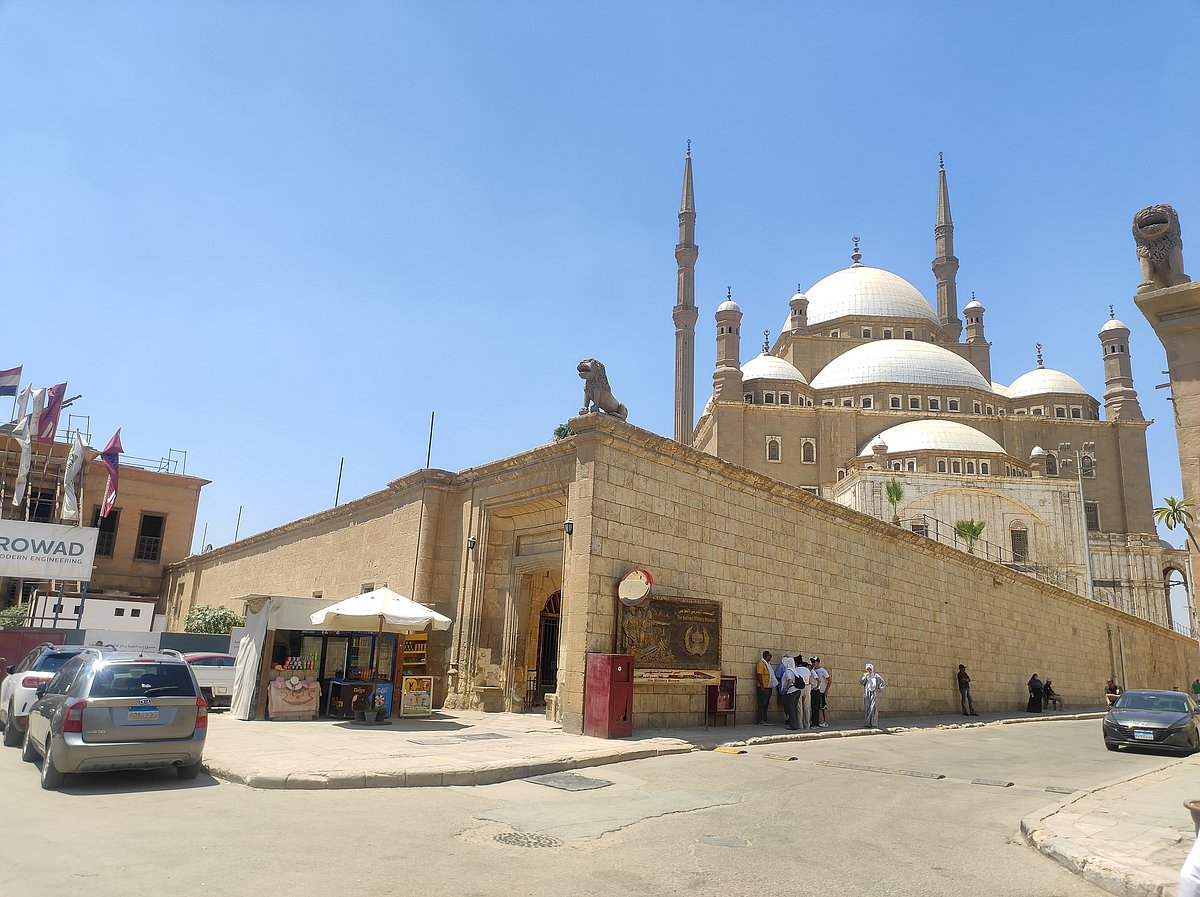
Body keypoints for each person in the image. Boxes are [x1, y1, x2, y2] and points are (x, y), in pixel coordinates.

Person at [861, 663, 886, 728]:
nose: (869, 670)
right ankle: (867, 723)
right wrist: (866, 678)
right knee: (867, 707)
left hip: (873, 693)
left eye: (870, 669)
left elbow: (882, 683)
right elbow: (861, 682)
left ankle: (874, 723)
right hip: (867, 693)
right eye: (867, 669)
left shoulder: (876, 676)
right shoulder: (865, 675)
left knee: (873, 707)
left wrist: (878, 688)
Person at [755, 650, 776, 725]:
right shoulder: (761, 663)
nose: (771, 657)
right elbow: (759, 675)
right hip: (763, 686)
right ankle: (760, 720)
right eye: (770, 656)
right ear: (767, 656)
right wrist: (762, 686)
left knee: (766, 703)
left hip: (769, 686)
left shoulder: (768, 664)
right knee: (762, 703)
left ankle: (765, 718)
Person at [780, 656, 801, 730]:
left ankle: (793, 726)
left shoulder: (788, 671)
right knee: (794, 708)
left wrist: (785, 689)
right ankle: (796, 724)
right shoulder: (795, 671)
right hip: (797, 691)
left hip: (791, 691)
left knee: (790, 709)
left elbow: (789, 681)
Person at [810, 656, 830, 727]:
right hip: (816, 691)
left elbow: (829, 680)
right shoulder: (813, 670)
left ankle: (825, 722)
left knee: (823, 706)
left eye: (814, 662)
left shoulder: (822, 670)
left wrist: (826, 690)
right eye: (812, 662)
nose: (812, 663)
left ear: (818, 662)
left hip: (821, 691)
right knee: (818, 707)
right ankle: (820, 721)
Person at [795, 657, 813, 731]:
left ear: (796, 663)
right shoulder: (807, 669)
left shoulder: (796, 670)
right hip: (807, 687)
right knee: (807, 707)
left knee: (799, 707)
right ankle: (807, 724)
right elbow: (809, 680)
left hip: (799, 688)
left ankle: (800, 724)